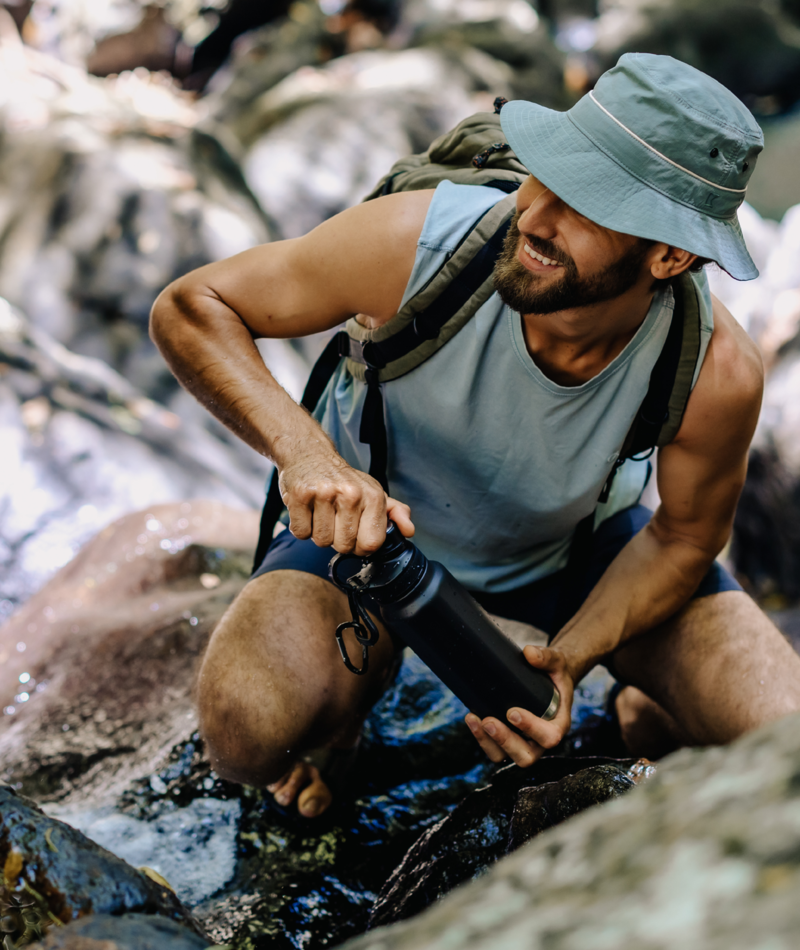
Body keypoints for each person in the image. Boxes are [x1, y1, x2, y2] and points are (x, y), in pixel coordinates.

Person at [150, 53, 800, 819]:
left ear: (669, 255)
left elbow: (686, 538)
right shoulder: (419, 243)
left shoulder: (713, 369)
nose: (534, 215)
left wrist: (569, 659)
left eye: (586, 203)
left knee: (783, 741)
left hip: (575, 554)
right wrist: (307, 457)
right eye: (546, 174)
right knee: (245, 733)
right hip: (368, 541)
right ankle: (356, 688)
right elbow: (194, 307)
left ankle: (645, 711)